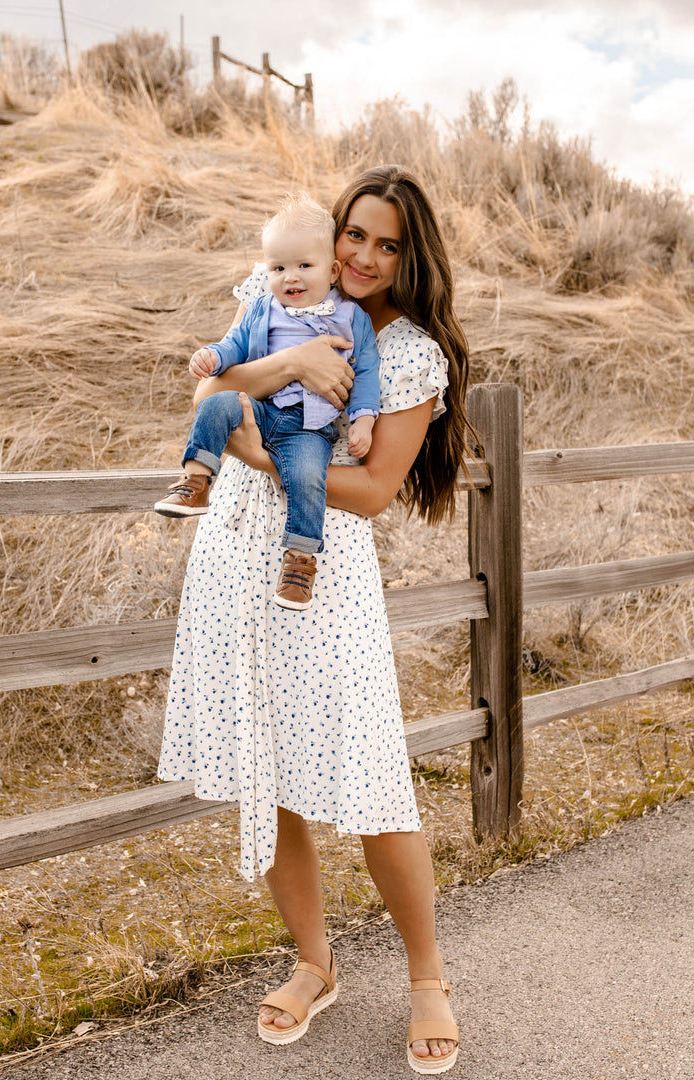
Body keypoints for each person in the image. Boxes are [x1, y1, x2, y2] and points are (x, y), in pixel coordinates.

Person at [158, 165, 470, 1074]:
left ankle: (427, 978)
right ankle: (313, 962)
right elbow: (211, 398)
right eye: (356, 235)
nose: (365, 257)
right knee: (268, 764)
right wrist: (291, 363)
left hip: (321, 571)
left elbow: (373, 491)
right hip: (233, 559)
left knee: (368, 767)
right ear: (330, 234)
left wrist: (261, 461)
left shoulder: (408, 352)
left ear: (413, 260)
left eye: (389, 245)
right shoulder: (277, 284)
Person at [154, 193, 381, 611]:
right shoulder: (262, 307)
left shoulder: (352, 317)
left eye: (303, 266)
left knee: (309, 475)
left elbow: (365, 374)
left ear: (332, 270)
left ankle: (299, 562)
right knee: (215, 405)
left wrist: (364, 420)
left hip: (309, 426)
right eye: (278, 268)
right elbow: (234, 344)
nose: (289, 277)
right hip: (259, 410)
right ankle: (196, 481)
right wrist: (213, 356)